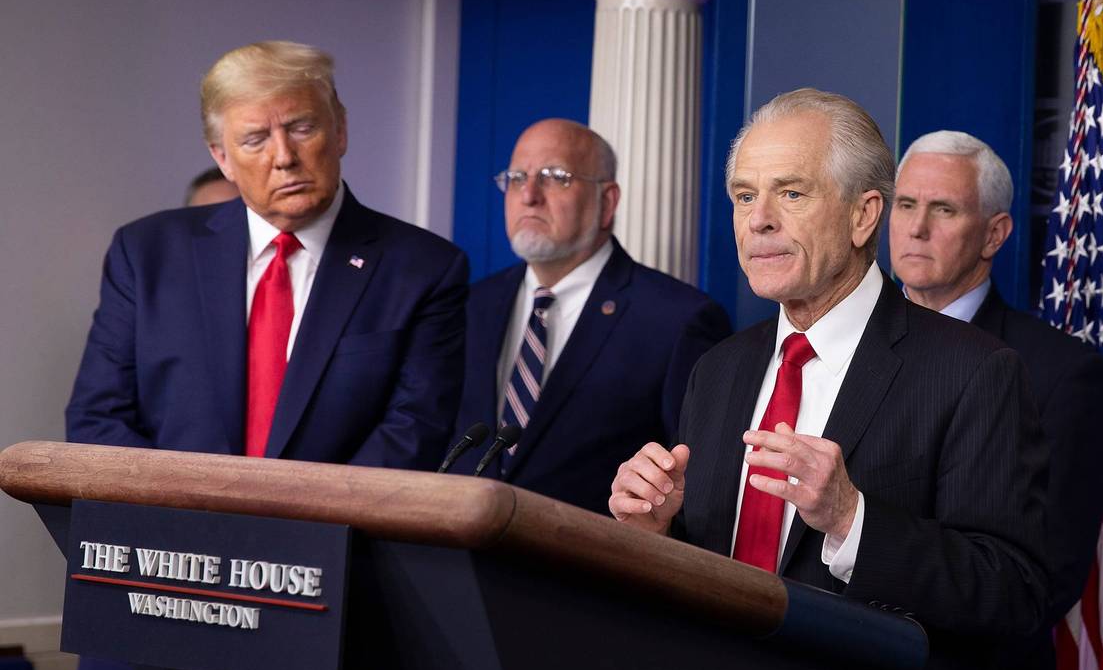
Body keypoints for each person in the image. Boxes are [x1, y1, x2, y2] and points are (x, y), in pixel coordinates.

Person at [609, 89, 1050, 670]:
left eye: (791, 193)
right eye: (745, 195)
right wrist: (654, 530)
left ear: (863, 215)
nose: (759, 218)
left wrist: (850, 518)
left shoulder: (973, 371)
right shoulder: (718, 369)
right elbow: (707, 566)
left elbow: (1012, 592)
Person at [66, 41, 467, 470]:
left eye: (301, 128)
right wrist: (194, 525)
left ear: (341, 130)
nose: (284, 158)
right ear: (222, 158)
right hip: (171, 531)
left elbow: (412, 434)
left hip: (336, 534)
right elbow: (98, 420)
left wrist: (289, 532)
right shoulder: (146, 255)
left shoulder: (424, 268)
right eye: (255, 140)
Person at [890, 130, 1103, 670]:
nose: (917, 228)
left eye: (943, 209)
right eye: (905, 204)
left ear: (994, 234)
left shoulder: (1059, 372)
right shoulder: (834, 344)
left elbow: (1045, 578)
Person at [450, 119, 731, 515]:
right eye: (516, 178)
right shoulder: (473, 305)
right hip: (459, 564)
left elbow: (695, 487)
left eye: (555, 177)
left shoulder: (677, 320)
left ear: (608, 201)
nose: (528, 195)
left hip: (591, 569)